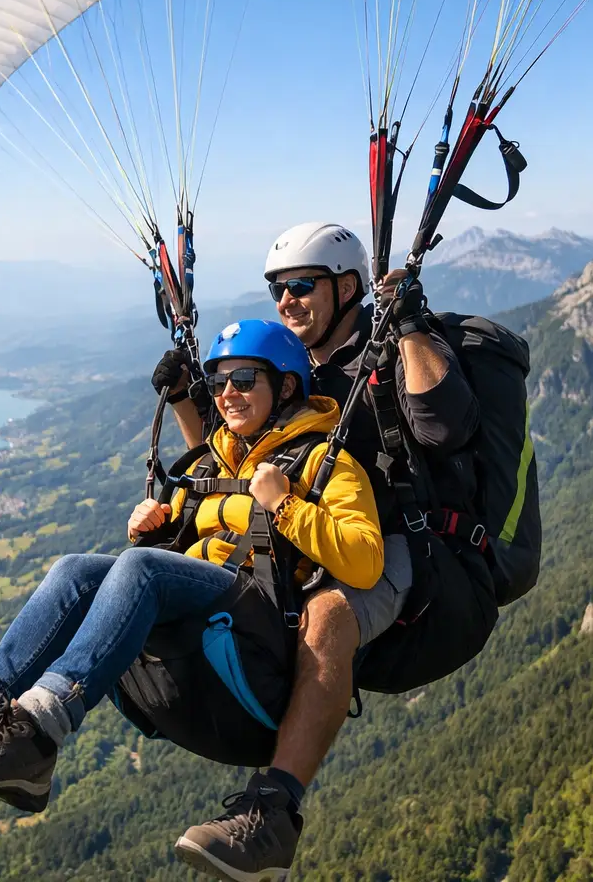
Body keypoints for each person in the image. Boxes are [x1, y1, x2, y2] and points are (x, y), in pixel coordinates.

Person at [0, 320, 382, 880]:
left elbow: (364, 560)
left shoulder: (320, 462)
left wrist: (284, 505)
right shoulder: (212, 464)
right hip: (207, 617)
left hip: (260, 630)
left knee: (136, 568)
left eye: (243, 378)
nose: (227, 392)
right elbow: (188, 546)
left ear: (285, 388)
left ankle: (37, 732)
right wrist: (158, 533)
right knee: (75, 570)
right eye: (218, 382)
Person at [148, 222, 483, 877]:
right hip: (297, 532)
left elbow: (445, 428)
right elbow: (235, 457)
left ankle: (274, 812)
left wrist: (410, 323)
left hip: (389, 541)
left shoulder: (387, 351)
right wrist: (188, 396)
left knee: (329, 614)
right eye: (278, 289)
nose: (288, 300)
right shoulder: (289, 368)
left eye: (303, 286)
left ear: (348, 285)